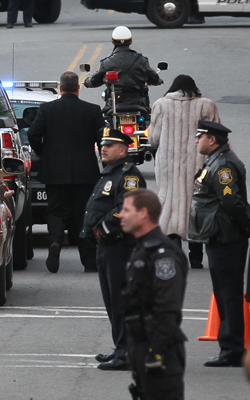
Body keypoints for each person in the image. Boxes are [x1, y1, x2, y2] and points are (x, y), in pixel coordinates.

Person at [81, 128, 146, 370]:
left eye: (109, 145)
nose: (103, 148)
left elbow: (128, 207)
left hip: (121, 246)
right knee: (112, 301)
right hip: (106, 247)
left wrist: (104, 226)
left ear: (123, 149)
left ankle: (127, 353)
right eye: (102, 144)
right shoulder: (111, 173)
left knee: (122, 301)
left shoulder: (129, 176)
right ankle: (120, 347)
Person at [28, 71, 106, 273]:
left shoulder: (47, 109)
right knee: (83, 214)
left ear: (60, 89)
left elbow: (33, 134)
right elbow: (103, 140)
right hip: (85, 173)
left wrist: (44, 154)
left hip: (55, 172)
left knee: (55, 211)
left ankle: (55, 242)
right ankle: (89, 260)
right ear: (78, 88)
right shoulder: (92, 110)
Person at [188, 120, 250, 367]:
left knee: (229, 293)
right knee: (224, 293)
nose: (196, 141)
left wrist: (246, 228)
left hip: (227, 238)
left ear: (212, 140)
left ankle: (232, 348)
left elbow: (231, 202)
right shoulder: (216, 160)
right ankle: (229, 346)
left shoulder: (223, 165)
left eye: (199, 137)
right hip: (218, 235)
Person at [119, 189, 188, 400]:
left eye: (126, 209)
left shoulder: (163, 254)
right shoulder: (142, 248)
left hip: (160, 351)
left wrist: (156, 353)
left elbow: (167, 307)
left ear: (143, 214)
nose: (120, 214)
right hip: (141, 344)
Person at [148, 75, 221, 269]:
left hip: (168, 164)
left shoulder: (161, 105)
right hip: (198, 162)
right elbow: (217, 135)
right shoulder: (206, 105)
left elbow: (153, 139)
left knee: (170, 202)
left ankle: (173, 252)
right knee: (195, 203)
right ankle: (196, 257)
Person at [83, 26, 163, 113]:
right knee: (151, 121)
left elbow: (96, 80)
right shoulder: (141, 60)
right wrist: (158, 80)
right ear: (130, 41)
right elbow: (153, 78)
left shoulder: (106, 62)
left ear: (113, 41)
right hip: (139, 103)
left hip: (114, 104)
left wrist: (88, 82)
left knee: (103, 122)